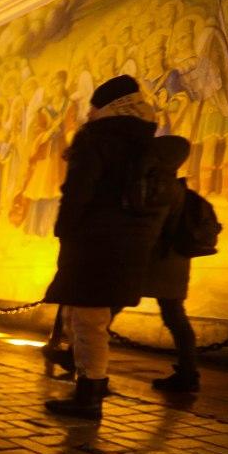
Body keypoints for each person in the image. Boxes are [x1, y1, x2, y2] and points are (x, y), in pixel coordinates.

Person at [43, 75, 190, 419]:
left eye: (93, 106)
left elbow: (77, 193)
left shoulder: (97, 140)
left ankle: (89, 395)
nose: (90, 113)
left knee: (87, 321)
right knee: (91, 319)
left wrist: (65, 231)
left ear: (106, 107)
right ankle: (90, 385)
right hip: (130, 247)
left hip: (93, 242)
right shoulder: (146, 144)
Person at [142, 179, 200, 392]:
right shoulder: (187, 194)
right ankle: (188, 373)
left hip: (158, 261)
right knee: (176, 317)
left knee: (111, 304)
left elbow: (150, 227)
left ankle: (79, 358)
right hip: (178, 264)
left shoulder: (162, 190)